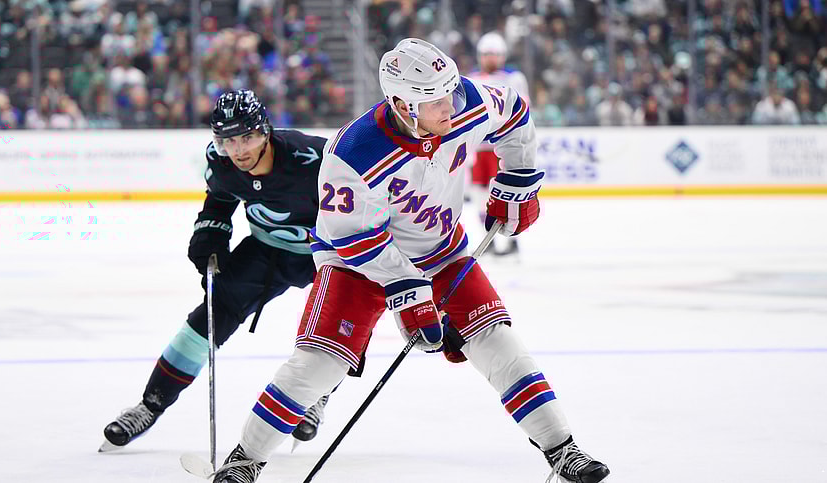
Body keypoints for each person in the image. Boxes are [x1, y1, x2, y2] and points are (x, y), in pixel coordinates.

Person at [211, 39, 611, 483]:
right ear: (403, 104)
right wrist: (408, 291)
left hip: (441, 252)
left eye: (452, 92)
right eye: (438, 100)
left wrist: (517, 181)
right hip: (356, 262)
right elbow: (352, 237)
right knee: (319, 364)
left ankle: (563, 450)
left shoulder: (464, 103)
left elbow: (515, 113)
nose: (453, 107)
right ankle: (244, 461)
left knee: (499, 342)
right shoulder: (353, 151)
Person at [99, 89, 332, 452]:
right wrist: (209, 234)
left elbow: (363, 197)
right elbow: (220, 200)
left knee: (338, 323)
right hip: (266, 250)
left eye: (247, 137)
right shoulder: (221, 163)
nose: (238, 150)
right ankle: (150, 404)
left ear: (265, 131)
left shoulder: (314, 158)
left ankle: (316, 393)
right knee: (212, 312)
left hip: (326, 254)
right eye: (227, 140)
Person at [466, 31, 532, 257]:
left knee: (508, 193)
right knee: (478, 195)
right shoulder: (472, 78)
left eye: (494, 54)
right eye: (486, 54)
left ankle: (514, 241)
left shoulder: (513, 78)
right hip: (477, 148)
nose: (490, 58)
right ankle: (489, 241)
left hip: (502, 145)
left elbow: (523, 108)